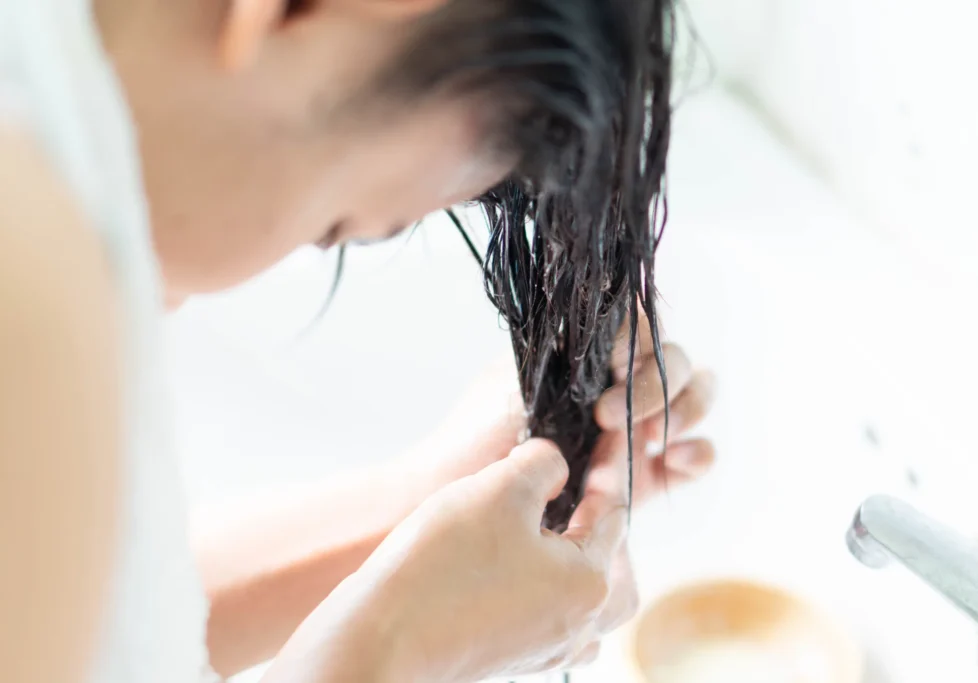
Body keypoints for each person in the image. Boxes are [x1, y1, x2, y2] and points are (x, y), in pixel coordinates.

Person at [0, 1, 715, 682]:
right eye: (338, 225)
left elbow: (83, 624)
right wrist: (394, 652)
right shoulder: (30, 258)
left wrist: (420, 503)